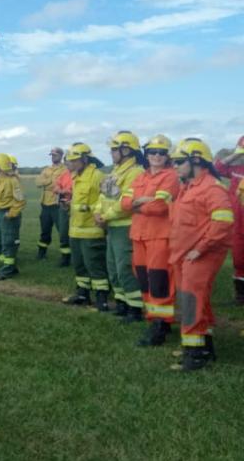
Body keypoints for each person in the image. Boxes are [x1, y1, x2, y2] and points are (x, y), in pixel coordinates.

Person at [168, 139, 234, 371]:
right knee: (198, 300)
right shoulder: (189, 187)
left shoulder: (212, 188)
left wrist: (201, 248)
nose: (174, 166)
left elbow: (223, 221)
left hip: (201, 255)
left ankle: (194, 355)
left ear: (195, 160)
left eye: (178, 162)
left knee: (191, 301)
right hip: (184, 255)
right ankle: (204, 347)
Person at [121, 135, 180, 344]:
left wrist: (137, 204)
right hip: (139, 235)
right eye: (153, 152)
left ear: (167, 156)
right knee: (144, 280)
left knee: (159, 281)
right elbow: (124, 203)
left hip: (159, 237)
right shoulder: (141, 177)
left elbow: (160, 207)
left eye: (161, 153)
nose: (156, 156)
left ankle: (160, 325)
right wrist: (141, 202)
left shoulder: (171, 177)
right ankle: (155, 319)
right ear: (146, 155)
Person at [96, 131, 145, 320]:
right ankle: (122, 302)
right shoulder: (115, 172)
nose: (111, 153)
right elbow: (103, 196)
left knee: (125, 266)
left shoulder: (136, 173)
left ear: (126, 150)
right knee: (113, 267)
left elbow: (127, 201)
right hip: (112, 225)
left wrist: (106, 215)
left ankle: (135, 307)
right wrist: (97, 212)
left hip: (125, 225)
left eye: (114, 149)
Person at [62, 144, 109, 310]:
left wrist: (88, 209)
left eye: (74, 160)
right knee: (79, 265)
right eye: (70, 161)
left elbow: (105, 199)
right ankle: (82, 293)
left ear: (84, 159)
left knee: (95, 266)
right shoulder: (76, 177)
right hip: (75, 229)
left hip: (92, 230)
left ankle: (102, 299)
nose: (71, 164)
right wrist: (70, 204)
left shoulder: (98, 176)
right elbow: (79, 200)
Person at [214, 135, 244, 304]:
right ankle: (241, 296)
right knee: (239, 259)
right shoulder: (237, 168)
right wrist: (235, 155)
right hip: (237, 224)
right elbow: (217, 168)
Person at [0, 153, 25, 280]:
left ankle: (7, 269)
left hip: (8, 215)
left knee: (8, 243)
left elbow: (20, 201)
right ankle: (11, 265)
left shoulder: (13, 181)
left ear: (0, 166)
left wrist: (10, 214)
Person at [35, 147, 67, 261]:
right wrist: (50, 181)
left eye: (55, 155)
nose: (53, 157)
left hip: (58, 204)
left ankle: (66, 256)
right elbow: (38, 183)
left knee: (62, 231)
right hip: (45, 204)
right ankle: (41, 253)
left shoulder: (65, 170)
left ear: (61, 156)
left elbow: (63, 185)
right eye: (52, 155)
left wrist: (48, 183)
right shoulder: (46, 169)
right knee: (45, 230)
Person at [53, 153, 74, 267]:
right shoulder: (64, 175)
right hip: (63, 207)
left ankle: (77, 257)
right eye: (66, 162)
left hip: (74, 207)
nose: (67, 164)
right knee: (63, 233)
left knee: (75, 234)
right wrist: (60, 190)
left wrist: (66, 191)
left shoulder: (79, 175)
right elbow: (56, 186)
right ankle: (65, 258)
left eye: (70, 161)